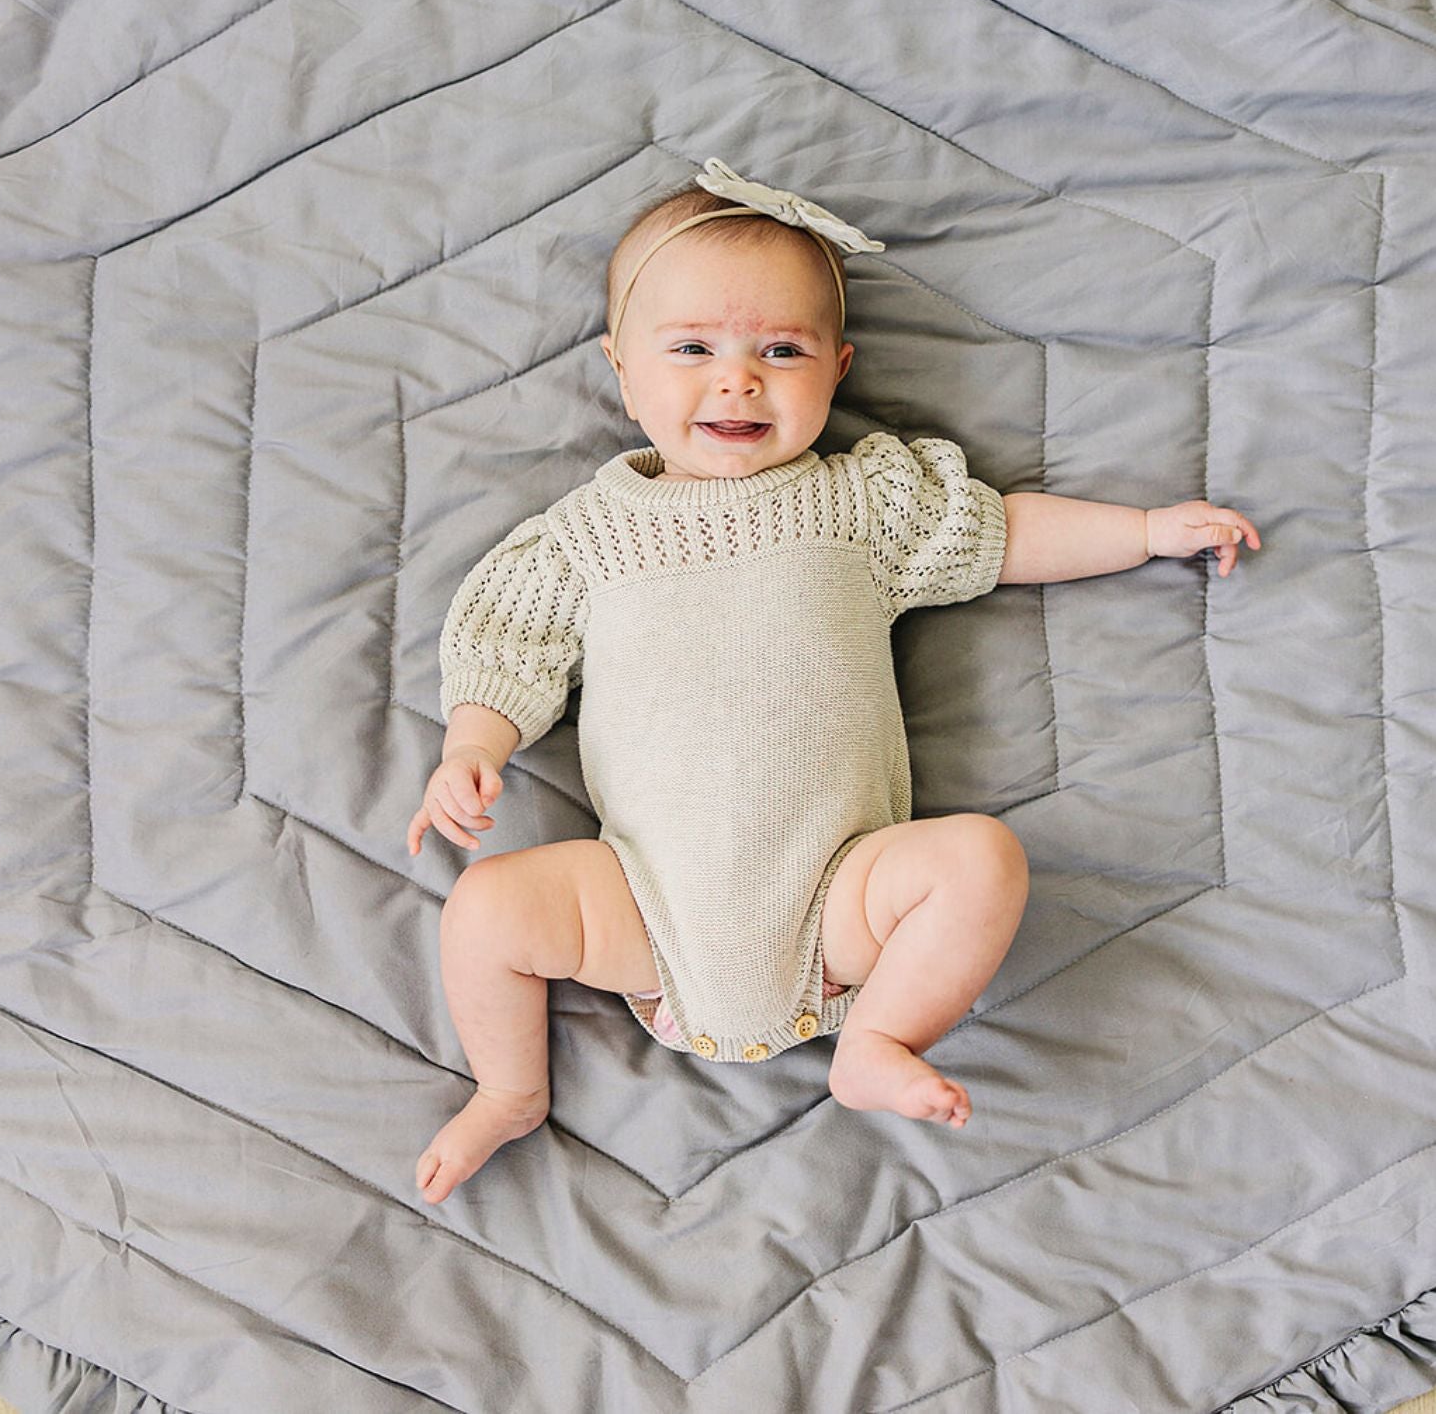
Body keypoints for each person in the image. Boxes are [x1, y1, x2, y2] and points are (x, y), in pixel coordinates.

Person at [408, 158, 1261, 1207]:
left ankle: (882, 1038)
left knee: (979, 858)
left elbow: (997, 531)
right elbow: (510, 643)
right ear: (622, 372)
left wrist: (1140, 533)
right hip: (645, 910)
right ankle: (508, 1088)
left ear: (838, 368)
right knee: (488, 905)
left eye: (781, 350)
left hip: (837, 905)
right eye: (692, 350)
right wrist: (474, 747)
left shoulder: (862, 504)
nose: (738, 379)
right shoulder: (587, 536)